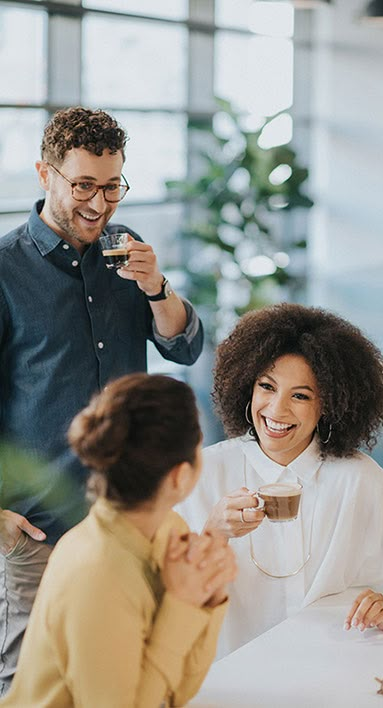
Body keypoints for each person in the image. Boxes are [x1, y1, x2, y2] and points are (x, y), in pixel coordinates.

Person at [0, 106, 204, 693]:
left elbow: (185, 347)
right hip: (37, 525)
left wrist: (156, 287)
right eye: (83, 185)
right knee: (29, 681)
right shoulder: (7, 270)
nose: (99, 203)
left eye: (112, 186)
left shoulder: (126, 249)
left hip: (125, 515)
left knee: (126, 666)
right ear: (46, 173)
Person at [178, 303, 383, 658]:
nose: (277, 409)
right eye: (267, 387)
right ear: (246, 386)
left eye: (300, 395)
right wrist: (214, 532)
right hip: (228, 675)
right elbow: (158, 593)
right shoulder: (206, 471)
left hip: (330, 668)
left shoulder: (356, 478)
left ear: (329, 405)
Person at [0, 373, 236, 708]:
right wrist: (182, 603)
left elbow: (176, 691)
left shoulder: (170, 529)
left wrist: (210, 598)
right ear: (180, 477)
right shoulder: (96, 571)